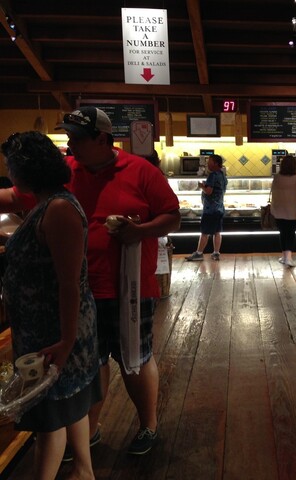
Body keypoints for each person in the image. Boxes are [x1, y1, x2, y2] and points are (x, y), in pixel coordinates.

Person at [0, 107, 181, 457]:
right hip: (81, 294)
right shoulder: (66, 170)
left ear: (102, 139)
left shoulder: (142, 170)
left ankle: (148, 425)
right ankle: (91, 430)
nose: (70, 146)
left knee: (135, 359)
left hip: (130, 289)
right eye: (68, 138)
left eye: (77, 139)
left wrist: (140, 230)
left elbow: (172, 217)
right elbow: (15, 196)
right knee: (91, 364)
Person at [1, 131, 100, 479]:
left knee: (49, 419)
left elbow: (69, 284)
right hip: (47, 332)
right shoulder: (47, 204)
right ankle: (84, 472)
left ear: (26, 169)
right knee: (68, 408)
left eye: (10, 165)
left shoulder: (59, 208)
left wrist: (66, 342)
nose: (8, 173)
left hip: (54, 334)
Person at [186, 154, 227, 261]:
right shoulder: (222, 175)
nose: (207, 164)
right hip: (219, 208)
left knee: (204, 232)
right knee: (217, 232)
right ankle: (216, 253)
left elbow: (209, 191)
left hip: (210, 209)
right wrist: (206, 186)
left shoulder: (213, 175)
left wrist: (202, 187)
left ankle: (199, 253)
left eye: (210, 162)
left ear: (216, 163)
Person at [270, 155, 296, 267]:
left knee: (283, 233)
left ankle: (284, 257)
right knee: (290, 233)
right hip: (292, 210)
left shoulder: (277, 177)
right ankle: (288, 258)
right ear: (295, 165)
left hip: (279, 210)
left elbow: (273, 190)